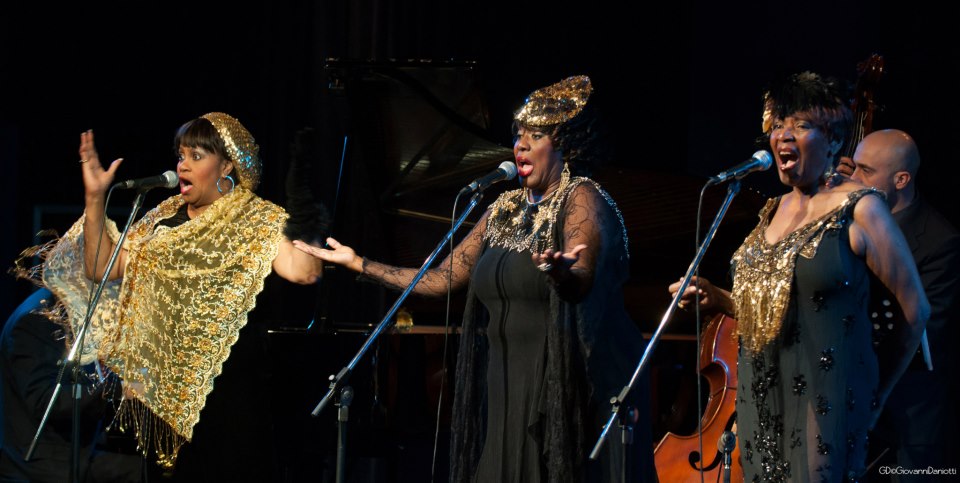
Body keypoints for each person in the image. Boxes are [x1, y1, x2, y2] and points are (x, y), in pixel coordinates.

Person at [293, 76, 658, 482]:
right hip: (505, 385)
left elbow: (581, 275)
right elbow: (442, 278)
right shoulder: (502, 208)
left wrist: (561, 273)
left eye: (535, 136)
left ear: (564, 147)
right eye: (518, 135)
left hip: (560, 388)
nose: (520, 145)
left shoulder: (582, 197)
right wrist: (360, 263)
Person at [33, 112, 324, 480]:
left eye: (196, 156)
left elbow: (304, 271)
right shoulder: (163, 219)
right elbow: (101, 266)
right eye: (181, 155)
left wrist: (302, 202)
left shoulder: (256, 220)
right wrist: (95, 197)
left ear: (226, 166)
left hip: (230, 403)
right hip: (162, 405)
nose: (182, 165)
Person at [669, 72, 929, 482]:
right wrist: (718, 297)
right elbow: (781, 310)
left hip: (824, 401)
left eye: (802, 125)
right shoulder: (769, 212)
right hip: (758, 398)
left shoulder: (860, 209)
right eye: (778, 125)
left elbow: (916, 310)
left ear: (833, 141)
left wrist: (876, 393)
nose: (783, 136)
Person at [843, 130, 960, 481]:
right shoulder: (846, 219)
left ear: (901, 180)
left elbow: (923, 332)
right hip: (850, 398)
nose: (852, 178)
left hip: (908, 414)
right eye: (853, 167)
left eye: (865, 170)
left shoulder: (941, 241)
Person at [0, 288, 143, 482]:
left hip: (80, 447)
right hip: (45, 462)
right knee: (147, 472)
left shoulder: (72, 306)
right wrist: (120, 389)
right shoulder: (38, 318)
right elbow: (46, 401)